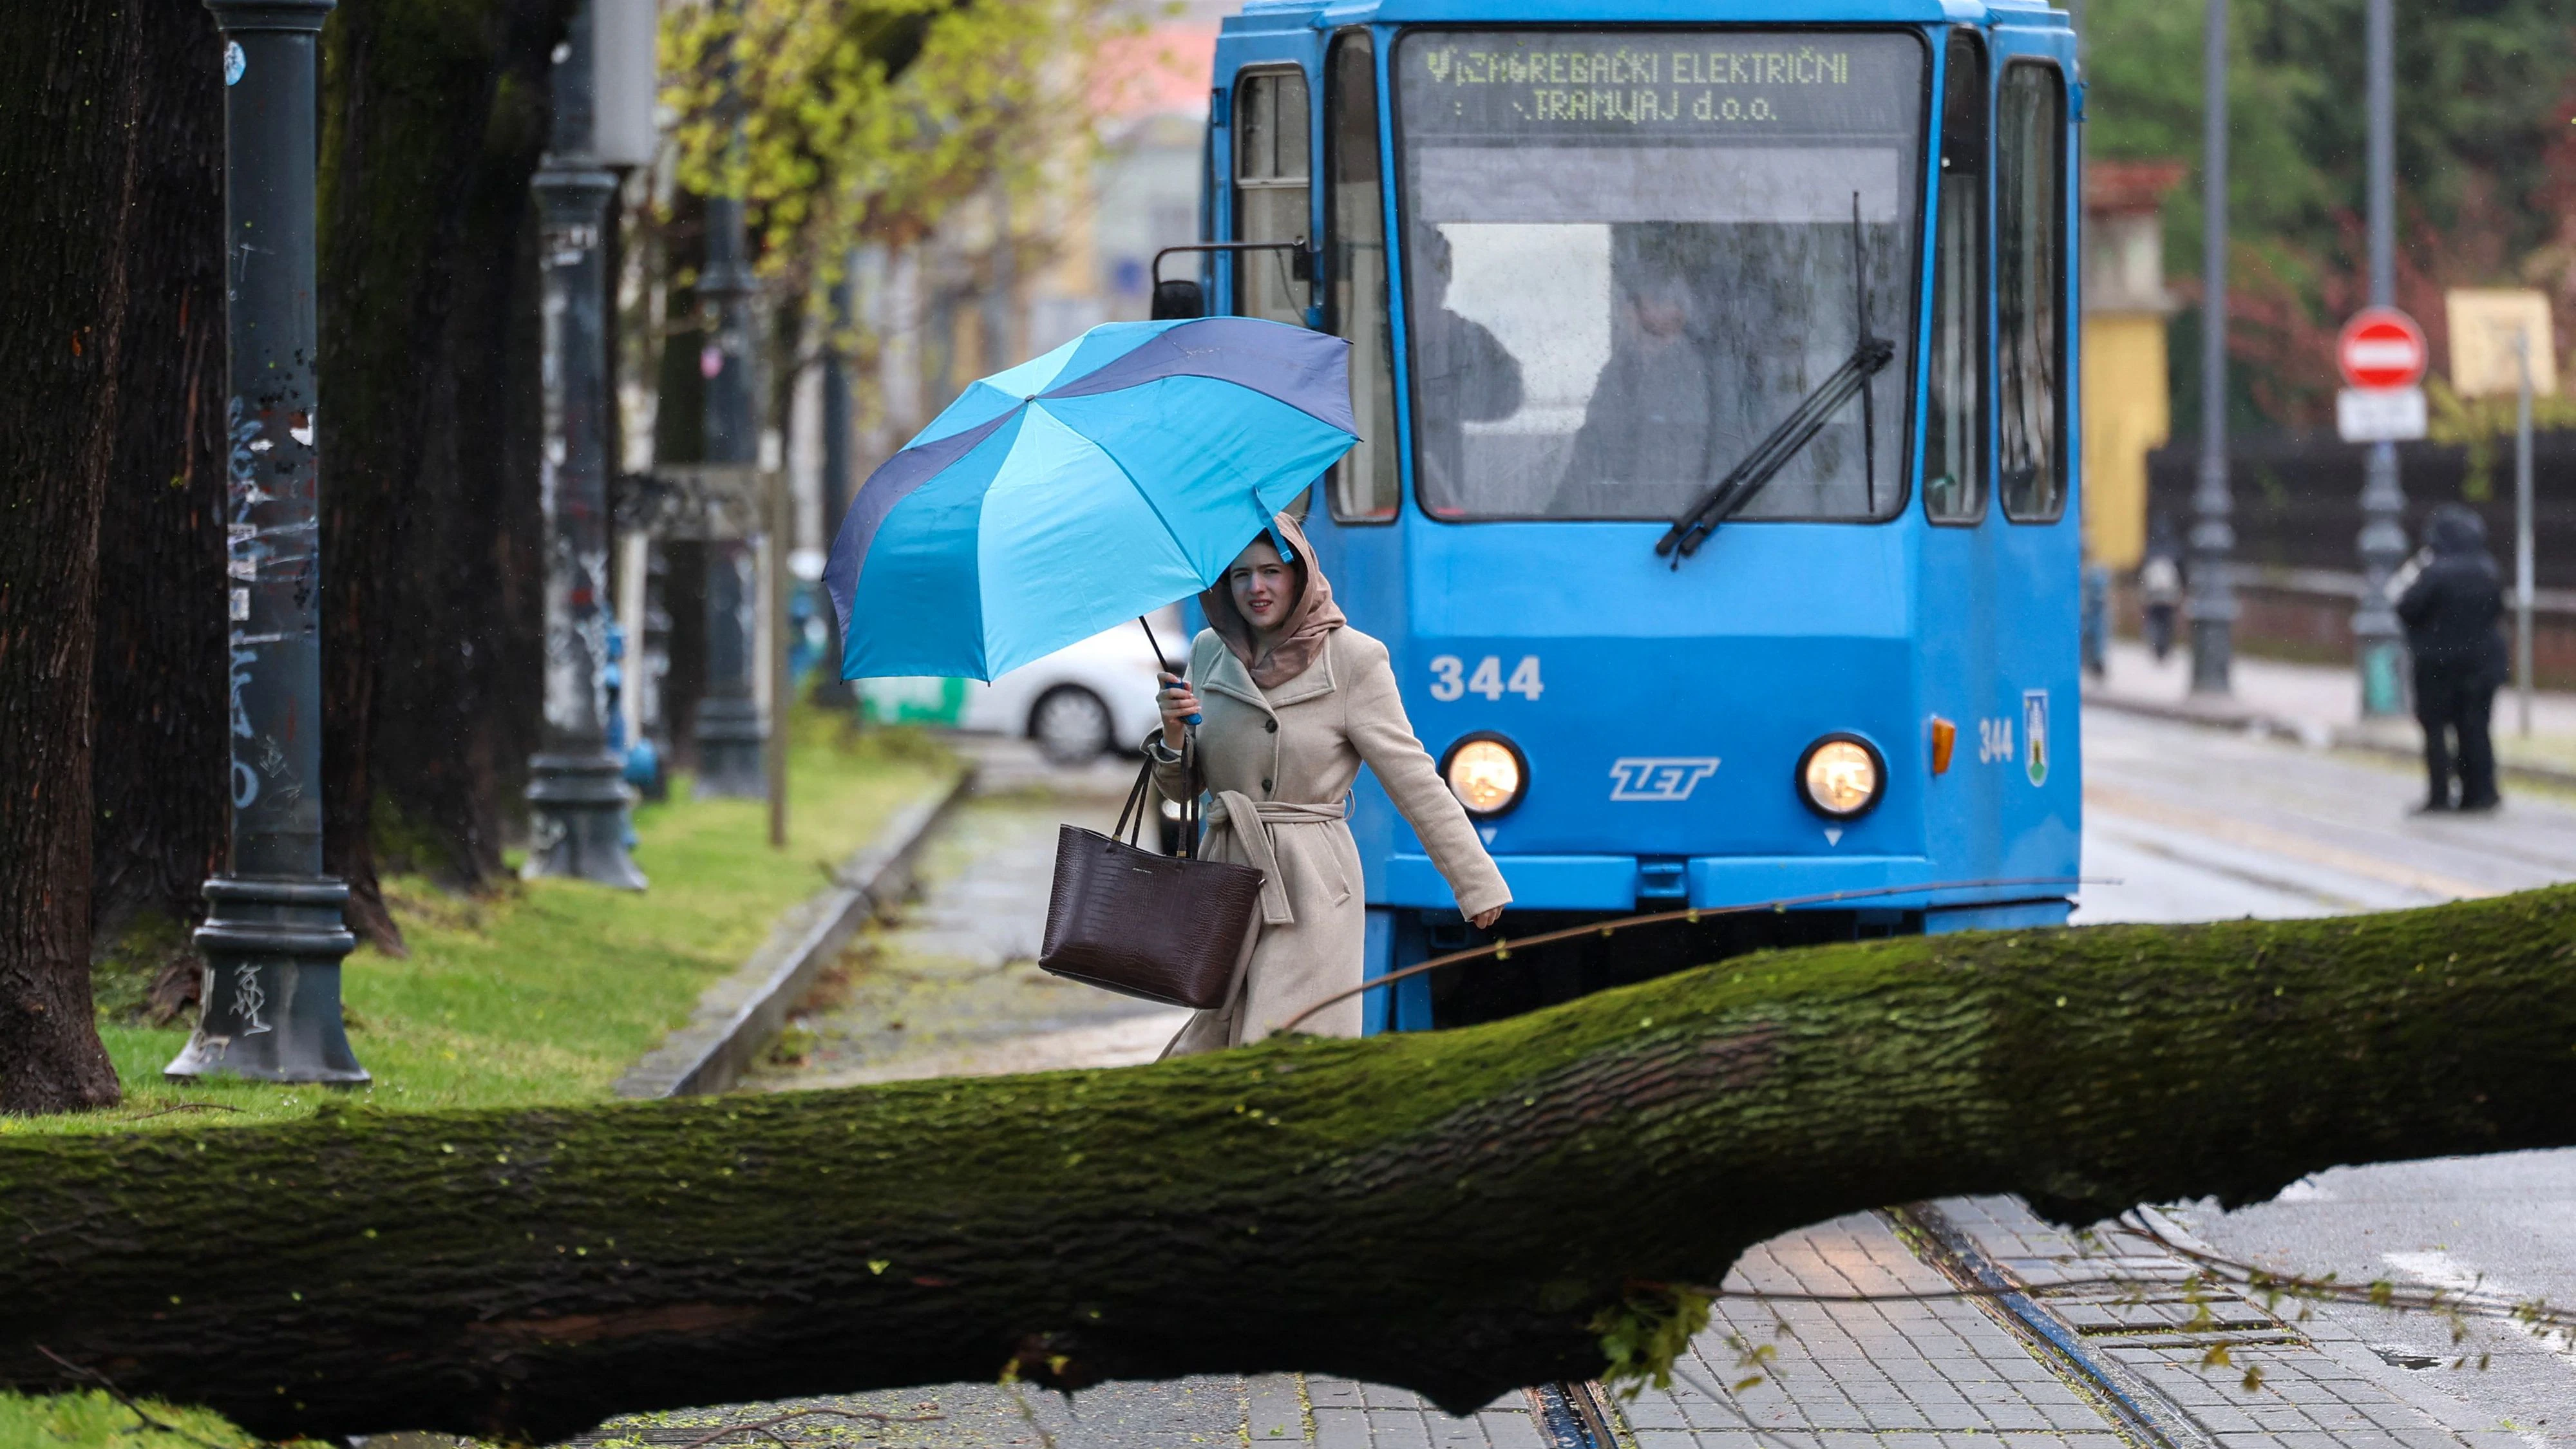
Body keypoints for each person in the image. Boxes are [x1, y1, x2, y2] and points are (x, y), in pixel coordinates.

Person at [1151, 514, 1509, 1054]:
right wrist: (1174, 732)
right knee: (1209, 1052)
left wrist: (1474, 882)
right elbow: (1184, 792)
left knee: (1283, 1048)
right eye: (1241, 574)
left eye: (1271, 570)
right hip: (1225, 879)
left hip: (1312, 886)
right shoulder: (1208, 651)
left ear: (1300, 574)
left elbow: (1413, 779)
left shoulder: (1354, 659)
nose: (1257, 588)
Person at [2396, 503, 2508, 814]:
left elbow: (2407, 608)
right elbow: (2498, 608)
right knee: (2476, 727)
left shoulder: (2434, 570)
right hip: (2483, 664)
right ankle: (2481, 792)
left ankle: (2440, 795)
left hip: (2438, 665)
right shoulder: (2487, 569)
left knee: (2435, 729)